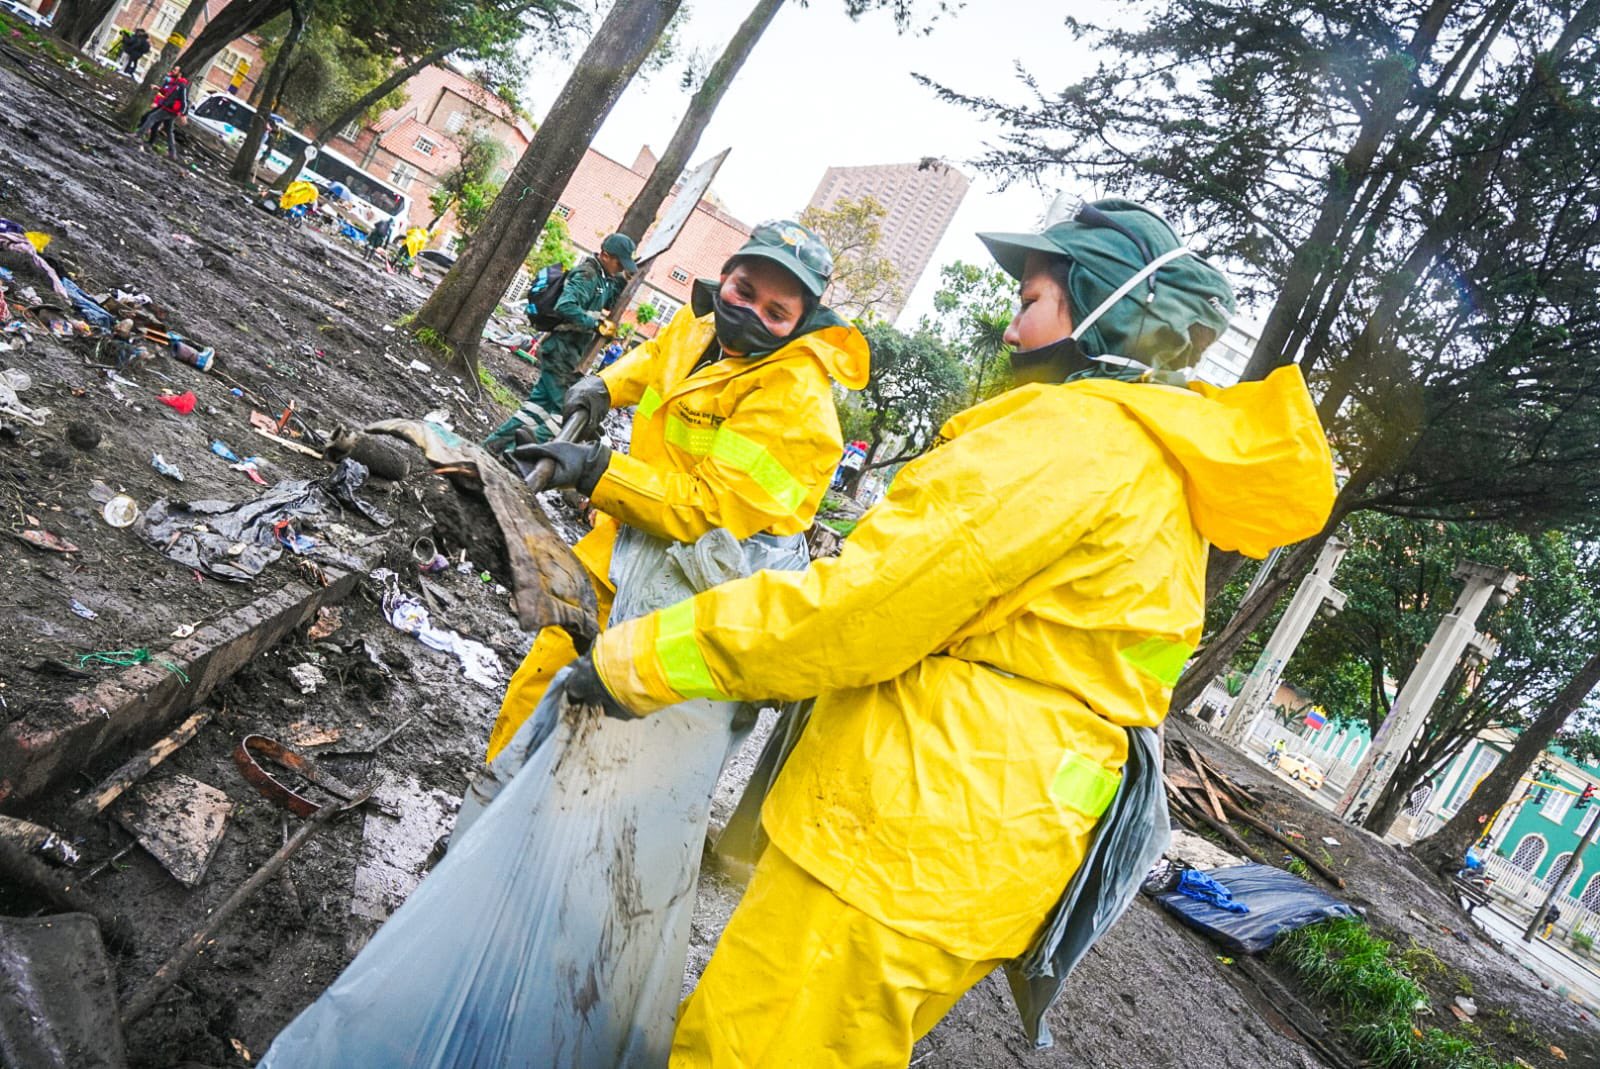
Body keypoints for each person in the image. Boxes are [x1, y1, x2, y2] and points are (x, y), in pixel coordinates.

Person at [554, 198, 1336, 1066]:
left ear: (1107, 310)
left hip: (902, 835)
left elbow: (854, 613)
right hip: (983, 846)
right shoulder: (1154, 469)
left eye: (1032, 299)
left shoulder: (1066, 444)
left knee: (745, 1047)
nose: (1009, 329)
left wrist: (634, 661)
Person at [483, 220, 869, 761]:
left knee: (624, 747)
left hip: (697, 595)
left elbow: (710, 508)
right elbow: (659, 358)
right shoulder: (700, 320)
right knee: (542, 679)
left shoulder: (796, 403)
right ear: (725, 276)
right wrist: (606, 387)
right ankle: (489, 814)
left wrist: (597, 471)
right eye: (744, 291)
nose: (750, 313)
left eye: (776, 313)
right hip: (626, 544)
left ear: (804, 321)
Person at [482, 233, 637, 451]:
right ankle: (516, 456)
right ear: (605, 255)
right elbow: (566, 306)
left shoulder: (603, 278)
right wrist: (595, 325)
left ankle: (491, 447)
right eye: (619, 262)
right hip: (562, 352)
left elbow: (609, 300)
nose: (620, 267)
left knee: (535, 409)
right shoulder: (587, 274)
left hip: (566, 352)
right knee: (564, 412)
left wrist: (623, 282)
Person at [136, 66, 189, 161]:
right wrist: (158, 88)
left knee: (152, 117)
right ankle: (172, 153)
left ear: (180, 74)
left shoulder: (181, 85)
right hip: (168, 108)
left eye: (175, 70)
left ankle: (137, 135)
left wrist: (183, 114)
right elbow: (167, 93)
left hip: (170, 109)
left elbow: (184, 100)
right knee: (169, 131)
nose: (172, 71)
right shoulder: (174, 83)